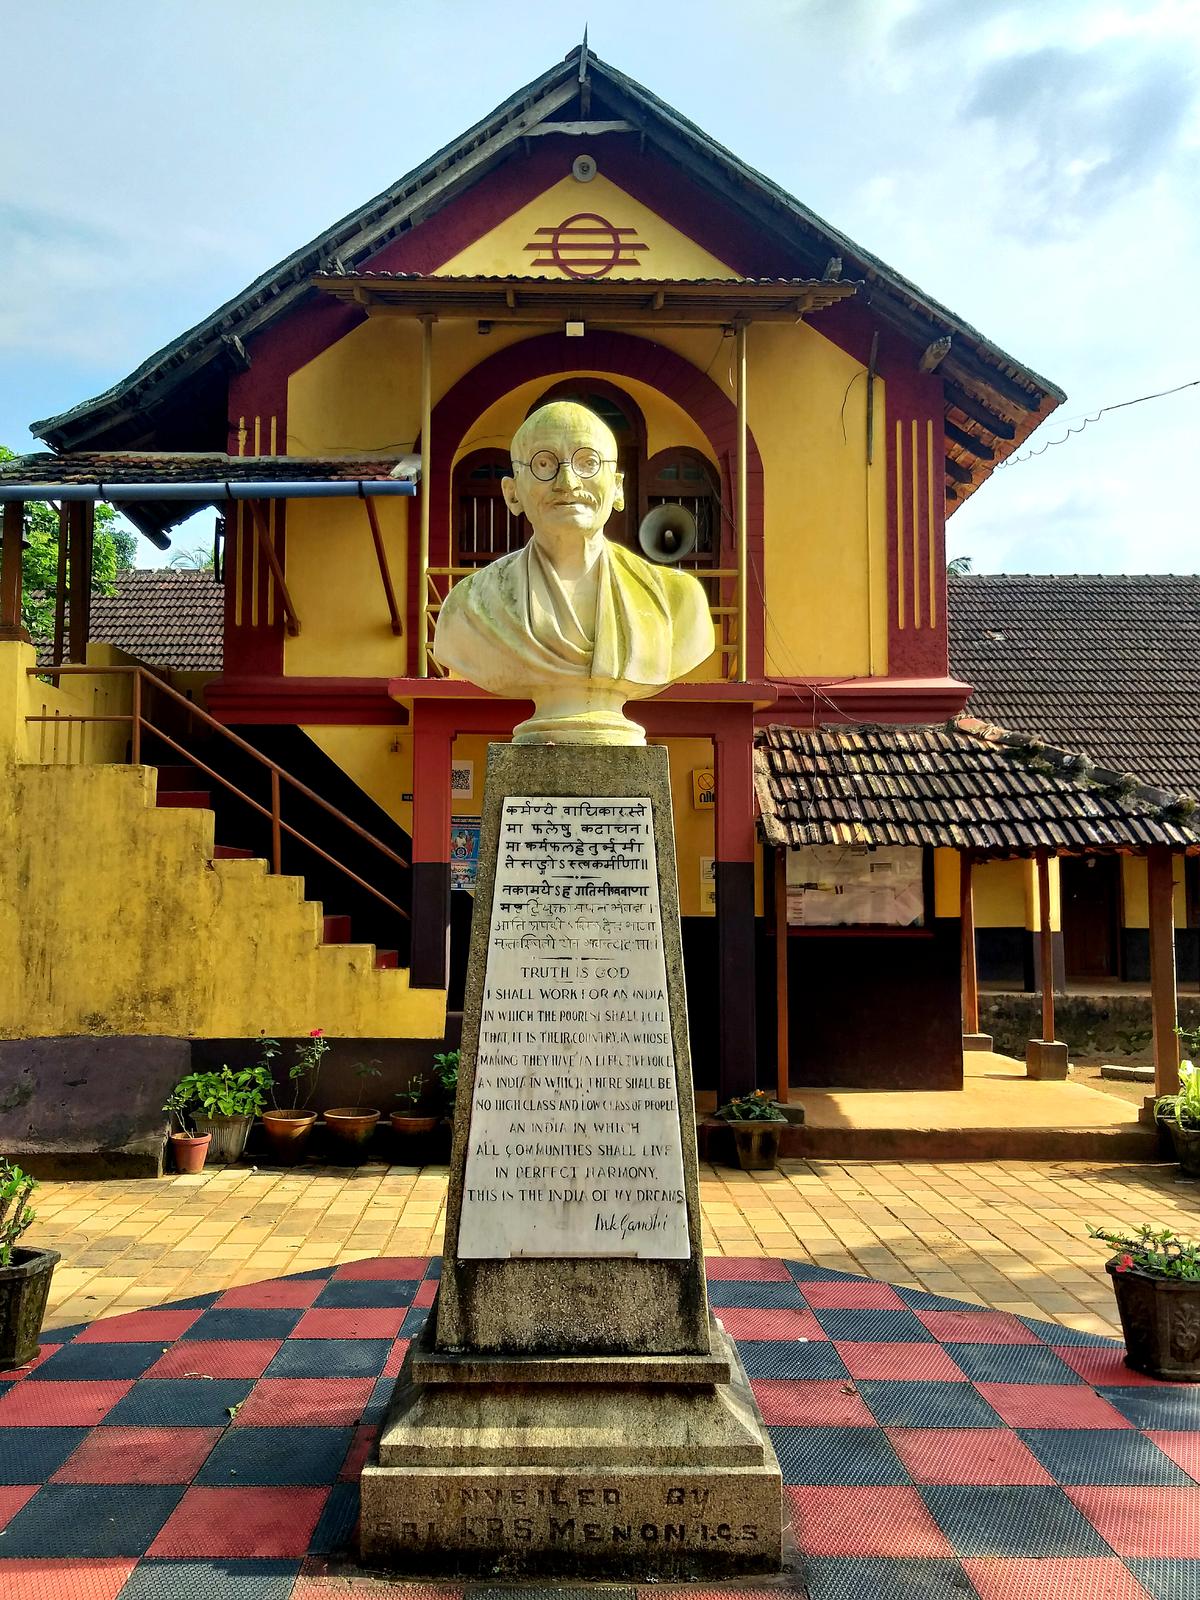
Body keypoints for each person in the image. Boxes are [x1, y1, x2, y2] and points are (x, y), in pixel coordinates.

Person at [432, 402, 715, 744]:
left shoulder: (678, 601)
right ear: (512, 493)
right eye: (544, 464)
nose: (567, 483)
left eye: (588, 464)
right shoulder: (471, 606)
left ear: (618, 487)